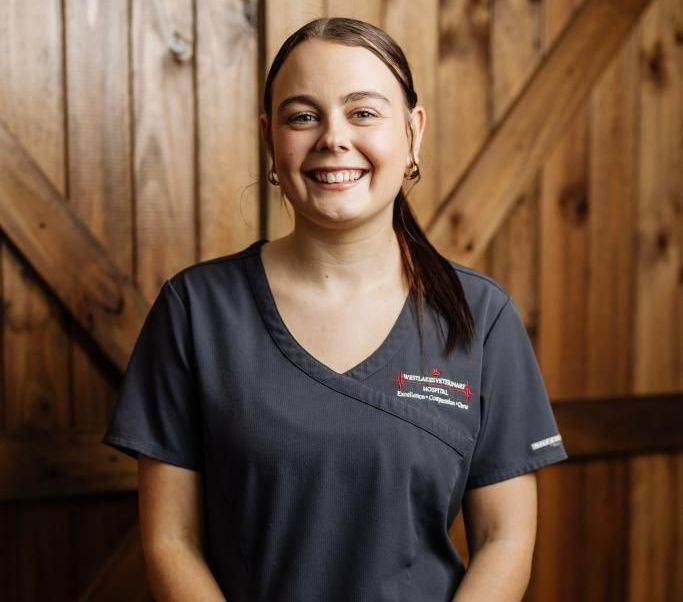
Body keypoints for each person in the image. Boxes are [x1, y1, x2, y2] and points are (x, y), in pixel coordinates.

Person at [102, 16, 568, 602]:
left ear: (413, 132)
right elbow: (172, 541)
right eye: (303, 116)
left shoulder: (482, 317)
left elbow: (505, 538)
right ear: (271, 139)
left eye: (363, 113)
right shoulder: (194, 311)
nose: (333, 138)